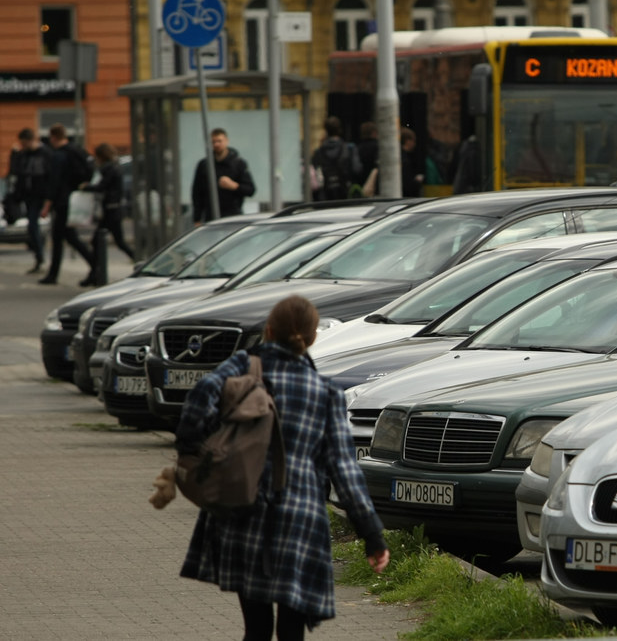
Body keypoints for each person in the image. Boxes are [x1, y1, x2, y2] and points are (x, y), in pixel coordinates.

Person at [175, 295, 390, 640]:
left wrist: (190, 449)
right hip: (299, 519)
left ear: (269, 330)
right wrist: (372, 534)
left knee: (256, 627)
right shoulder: (325, 393)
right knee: (291, 630)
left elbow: (201, 394)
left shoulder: (242, 366)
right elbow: (344, 469)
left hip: (242, 507)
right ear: (312, 338)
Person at [39, 124, 96, 285]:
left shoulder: (59, 156)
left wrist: (47, 205)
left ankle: (94, 265)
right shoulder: (75, 150)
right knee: (64, 237)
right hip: (72, 198)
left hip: (62, 201)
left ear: (53, 137)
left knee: (65, 237)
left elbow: (54, 182)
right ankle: (54, 274)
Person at [80, 142, 136, 280]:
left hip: (112, 210)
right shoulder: (111, 167)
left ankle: (95, 274)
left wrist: (86, 187)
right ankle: (94, 273)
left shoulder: (110, 169)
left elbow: (102, 186)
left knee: (108, 241)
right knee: (111, 241)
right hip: (111, 209)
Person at [8, 127, 53, 274]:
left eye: (24, 143)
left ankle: (41, 258)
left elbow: (50, 177)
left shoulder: (45, 154)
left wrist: (48, 200)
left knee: (34, 226)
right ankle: (39, 257)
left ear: (30, 140)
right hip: (29, 196)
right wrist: (14, 156)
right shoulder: (23, 155)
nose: (22, 146)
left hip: (41, 196)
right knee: (31, 228)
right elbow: (15, 172)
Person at [192, 127, 256, 224]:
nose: (216, 144)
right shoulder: (204, 165)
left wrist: (234, 186)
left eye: (219, 141)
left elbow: (250, 190)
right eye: (213, 142)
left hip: (233, 216)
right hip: (210, 216)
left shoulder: (238, 163)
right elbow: (197, 193)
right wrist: (197, 218)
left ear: (226, 141)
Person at [309, 116, 360, 202]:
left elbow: (313, 173)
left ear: (326, 131)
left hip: (325, 196)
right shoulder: (349, 149)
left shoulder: (319, 152)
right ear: (340, 129)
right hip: (346, 194)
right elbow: (357, 169)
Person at [355, 121, 379, 196]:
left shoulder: (358, 148)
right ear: (374, 132)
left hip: (361, 183)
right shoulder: (378, 147)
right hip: (375, 186)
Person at [399, 127, 425, 197]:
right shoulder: (404, 159)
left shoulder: (400, 156)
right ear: (407, 141)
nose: (414, 144)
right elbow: (407, 183)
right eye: (414, 141)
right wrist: (416, 182)